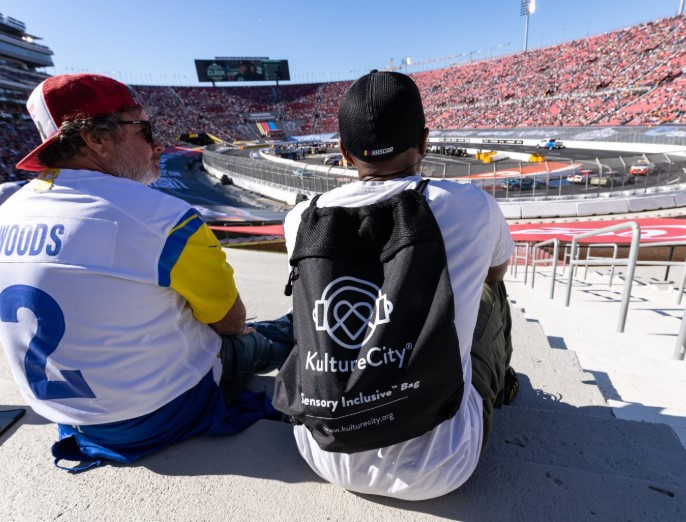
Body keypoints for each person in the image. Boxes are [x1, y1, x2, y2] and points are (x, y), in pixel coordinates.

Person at [0, 74, 293, 471]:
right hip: (160, 412)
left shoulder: (8, 212)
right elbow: (230, 322)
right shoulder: (161, 217)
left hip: (68, 416)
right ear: (95, 139)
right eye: (144, 129)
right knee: (257, 338)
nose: (158, 145)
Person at [280, 70, 518, 500]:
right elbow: (496, 272)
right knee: (490, 292)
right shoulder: (472, 207)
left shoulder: (301, 219)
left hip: (323, 452)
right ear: (424, 141)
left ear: (343, 152)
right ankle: (503, 382)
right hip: (441, 467)